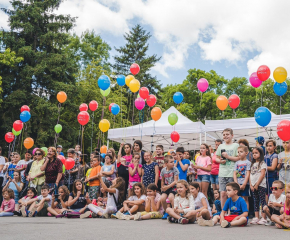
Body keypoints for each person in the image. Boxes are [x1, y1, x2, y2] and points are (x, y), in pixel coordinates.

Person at [215, 128, 239, 208]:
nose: (225, 136)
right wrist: (220, 161)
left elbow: (238, 158)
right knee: (223, 193)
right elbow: (216, 158)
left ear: (232, 135)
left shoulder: (236, 145)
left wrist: (228, 156)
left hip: (232, 173)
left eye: (227, 134)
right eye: (224, 135)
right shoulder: (221, 146)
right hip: (222, 173)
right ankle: (223, 212)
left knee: (232, 194)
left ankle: (231, 211)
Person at [249, 147, 267, 225]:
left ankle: (264, 217)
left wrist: (257, 184)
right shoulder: (252, 164)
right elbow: (250, 175)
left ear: (260, 154)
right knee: (255, 201)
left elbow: (262, 174)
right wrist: (251, 185)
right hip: (253, 185)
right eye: (253, 153)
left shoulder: (262, 163)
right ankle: (257, 217)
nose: (254, 155)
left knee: (262, 201)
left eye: (256, 153)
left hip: (261, 185)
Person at [160, 155, 179, 220]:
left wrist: (167, 187)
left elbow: (176, 181)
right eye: (171, 162)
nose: (173, 163)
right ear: (166, 163)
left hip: (173, 186)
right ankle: (166, 212)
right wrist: (162, 187)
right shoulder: (163, 170)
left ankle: (175, 212)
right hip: (166, 186)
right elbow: (162, 180)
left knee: (171, 197)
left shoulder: (175, 169)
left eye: (173, 161)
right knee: (162, 198)